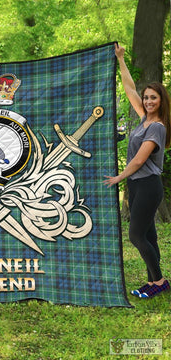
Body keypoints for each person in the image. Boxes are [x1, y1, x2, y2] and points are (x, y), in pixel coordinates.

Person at [104, 44, 170, 299]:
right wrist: (121, 59)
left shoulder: (158, 127)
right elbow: (130, 89)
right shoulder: (144, 119)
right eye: (147, 98)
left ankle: (159, 281)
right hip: (137, 184)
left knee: (135, 235)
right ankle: (155, 281)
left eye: (153, 98)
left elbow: (141, 159)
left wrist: (120, 176)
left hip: (148, 184)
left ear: (162, 100)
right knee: (149, 235)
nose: (148, 101)